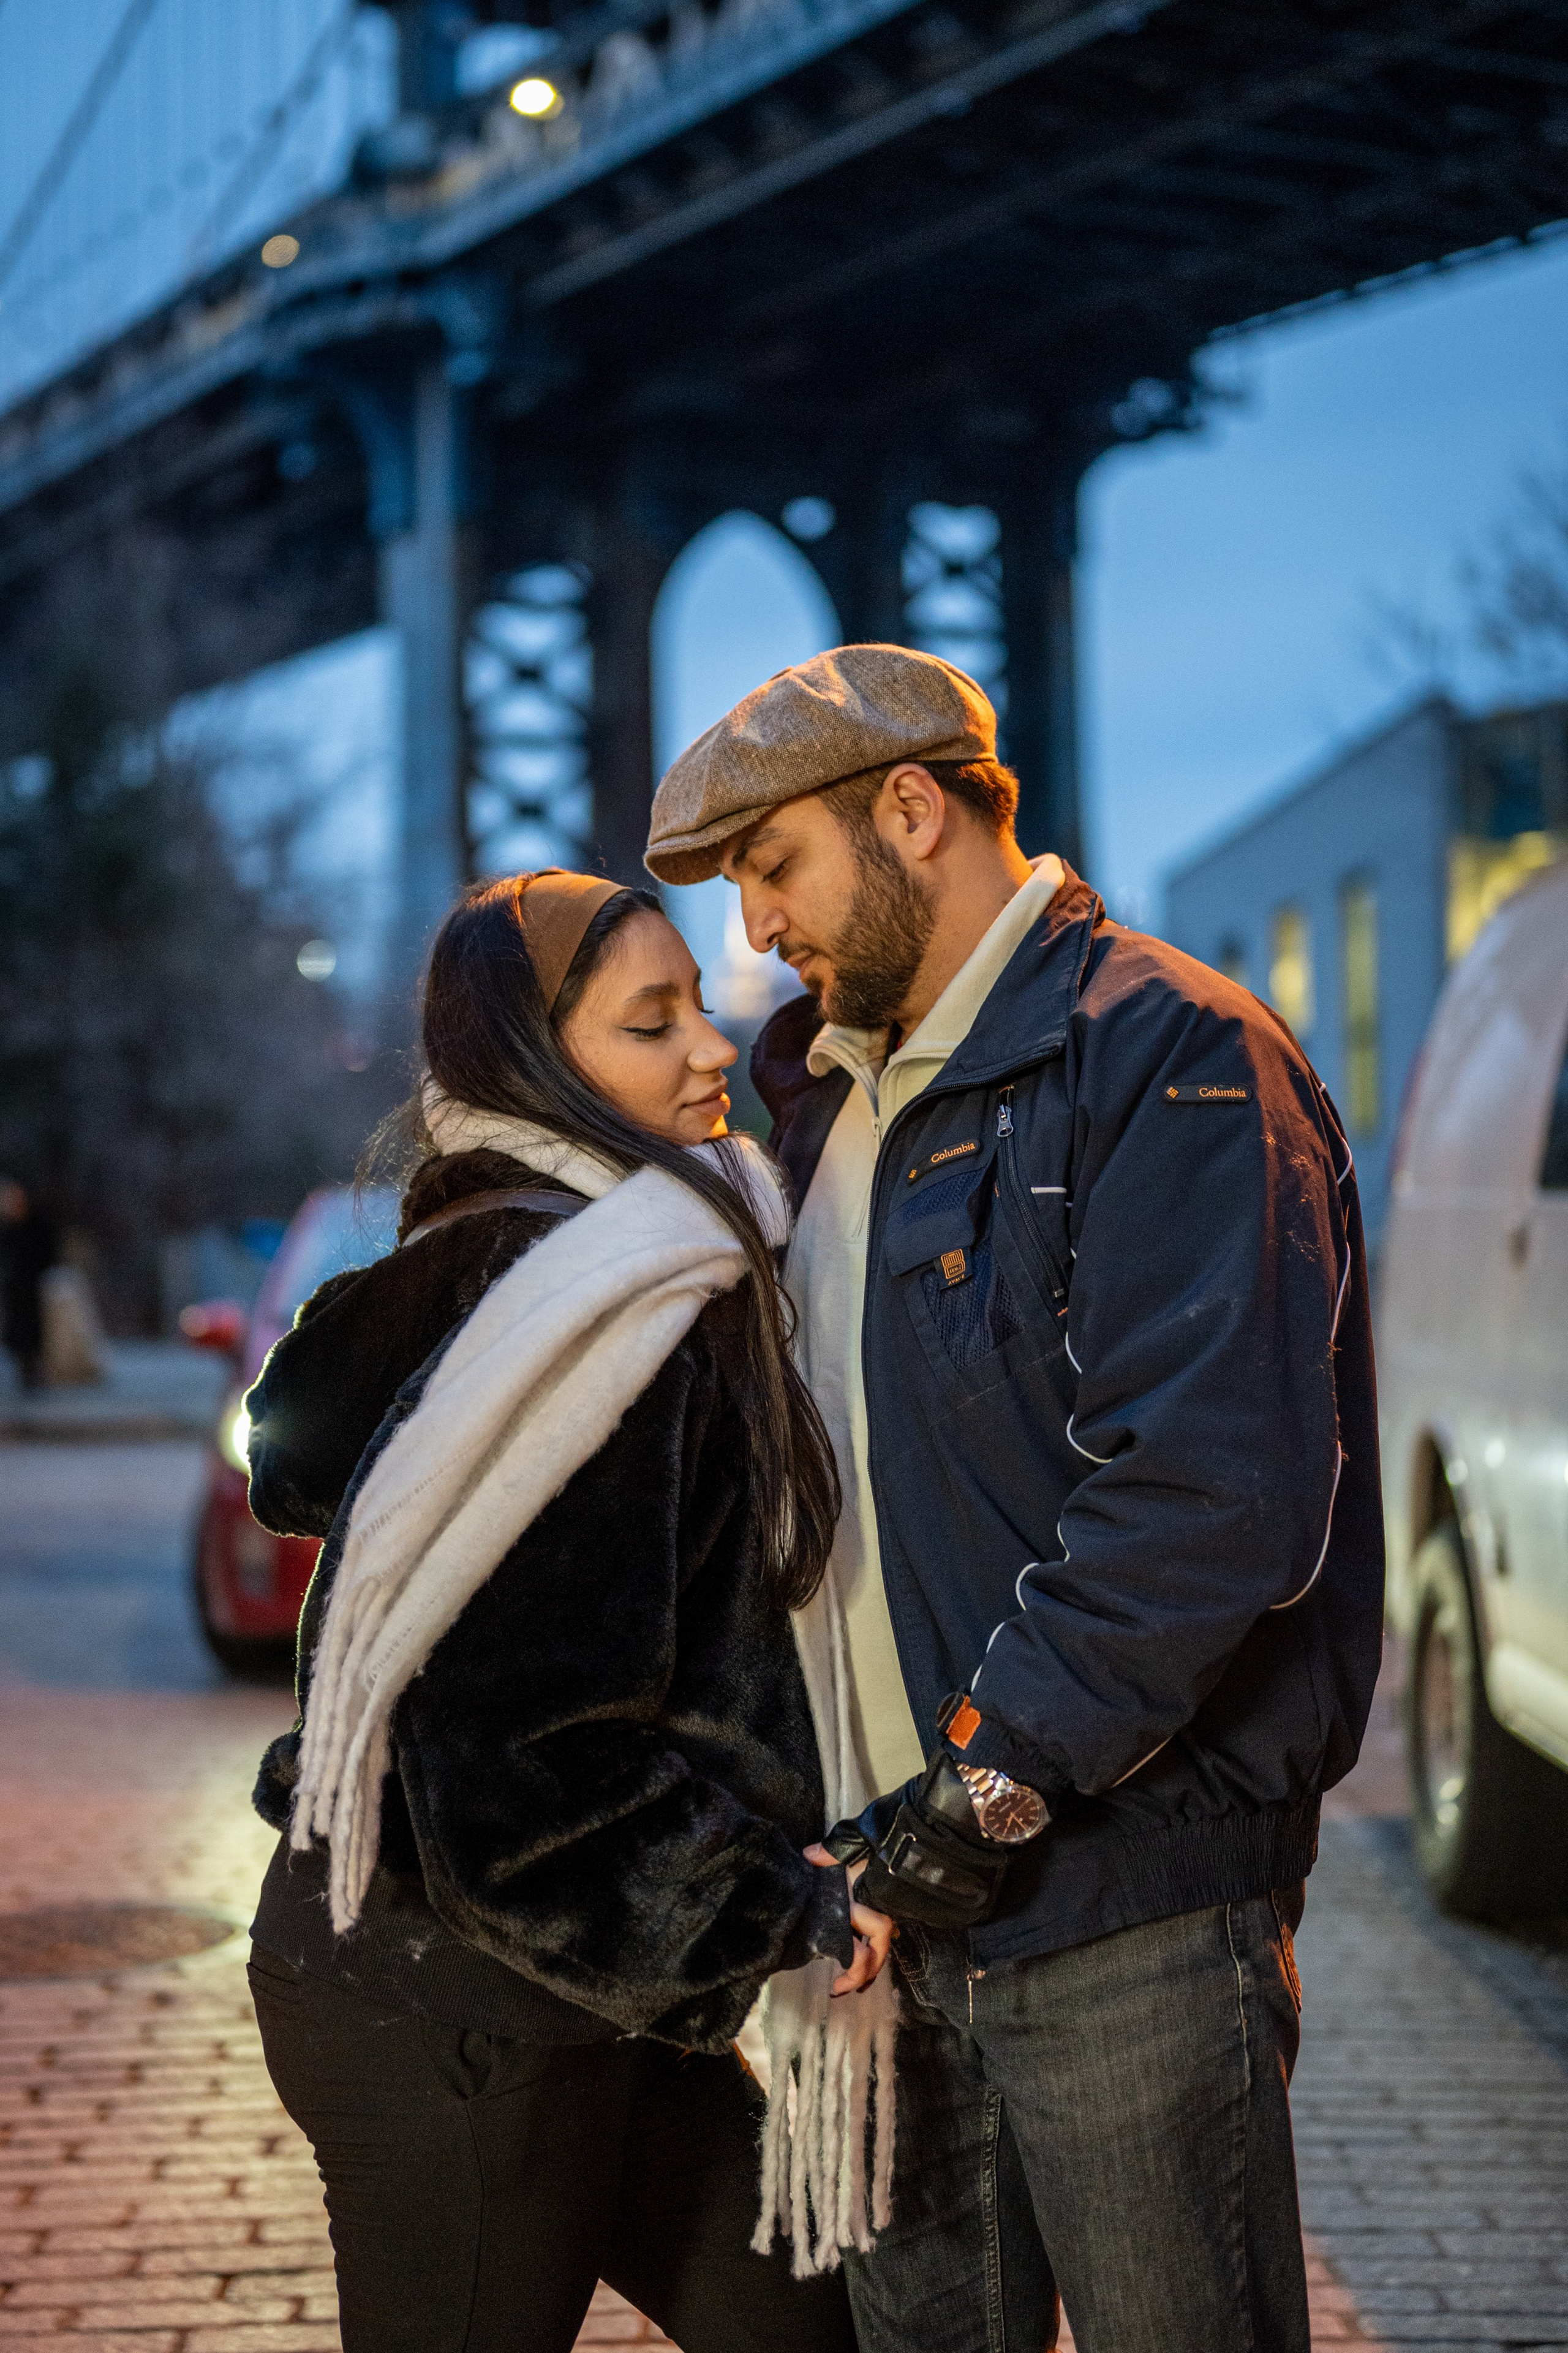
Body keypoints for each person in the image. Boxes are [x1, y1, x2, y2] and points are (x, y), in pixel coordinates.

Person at [645, 644, 1385, 2353]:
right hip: (885, 1930)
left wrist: (979, 1795)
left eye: (775, 868)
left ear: (910, 812)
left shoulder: (1172, 1057)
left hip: (1119, 1914)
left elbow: (1211, 1493)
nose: (755, 930)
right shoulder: (818, 1097)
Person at [243, 871, 889, 2353]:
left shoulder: (505, 1252)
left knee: (819, 2329)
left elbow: (296, 1436)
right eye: (648, 1023)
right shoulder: (596, 1305)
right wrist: (772, 1902)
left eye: (696, 1007)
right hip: (447, 1990)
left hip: (571, 1978)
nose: (710, 1049)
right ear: (538, 1063)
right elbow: (509, 1761)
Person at [0, 1177, 56, 1391]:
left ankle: (35, 1373)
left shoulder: (36, 1223)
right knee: (20, 1336)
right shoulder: (10, 1227)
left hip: (33, 1290)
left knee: (34, 1335)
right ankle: (26, 1372)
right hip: (16, 1291)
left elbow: (47, 1253)